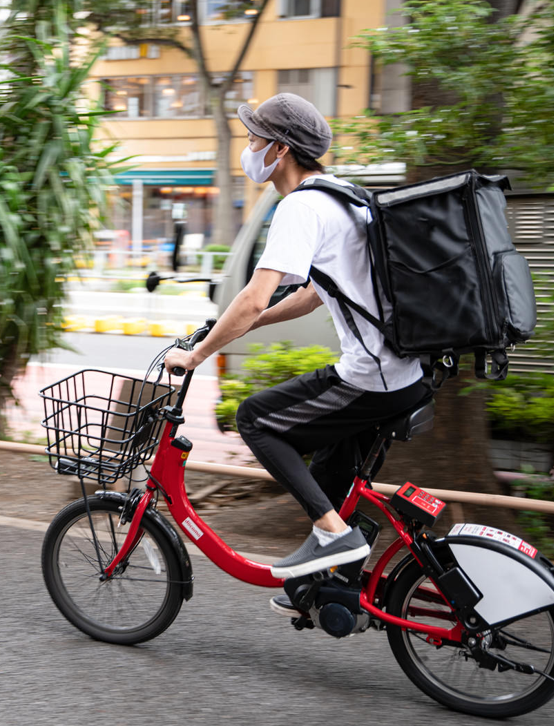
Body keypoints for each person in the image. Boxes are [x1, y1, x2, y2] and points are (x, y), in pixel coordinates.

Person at [162, 93, 430, 614]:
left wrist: (198, 354)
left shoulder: (300, 207)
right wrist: (251, 321)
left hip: (372, 377)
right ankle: (333, 591)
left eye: (253, 139)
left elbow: (254, 293)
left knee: (256, 420)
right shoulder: (339, 197)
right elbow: (311, 292)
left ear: (279, 149)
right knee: (332, 472)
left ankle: (334, 535)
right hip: (400, 372)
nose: (248, 148)